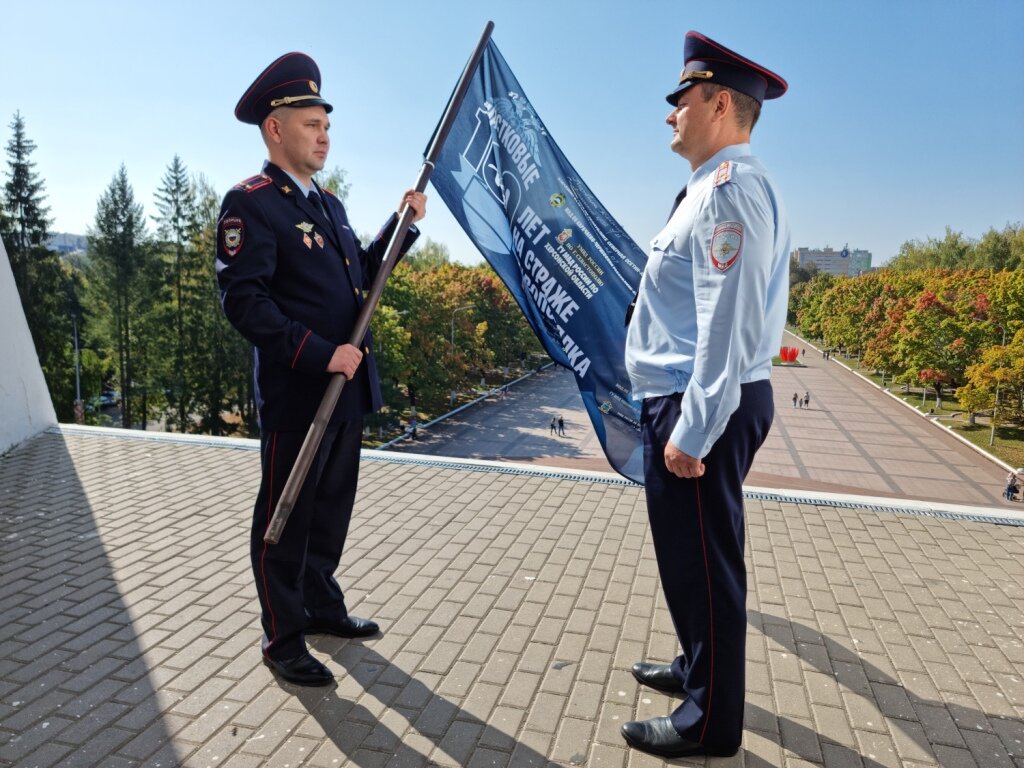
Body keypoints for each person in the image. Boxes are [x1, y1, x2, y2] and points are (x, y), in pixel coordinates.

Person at [216, 52, 426, 686]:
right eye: (312, 124)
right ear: (275, 129)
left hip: (345, 388)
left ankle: (321, 607)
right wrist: (318, 352)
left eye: (326, 125)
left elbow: (358, 272)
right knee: (285, 515)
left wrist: (402, 224)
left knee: (331, 508)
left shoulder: (328, 206)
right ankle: (282, 638)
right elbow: (243, 302)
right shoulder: (250, 204)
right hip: (299, 390)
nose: (324, 135)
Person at [622, 31, 790, 758]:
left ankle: (708, 722)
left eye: (680, 100)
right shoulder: (707, 190)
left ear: (719, 104)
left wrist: (695, 428)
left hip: (700, 404)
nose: (670, 115)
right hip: (695, 398)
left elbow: (729, 319)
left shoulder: (730, 191)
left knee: (707, 565)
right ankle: (699, 668)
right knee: (688, 559)